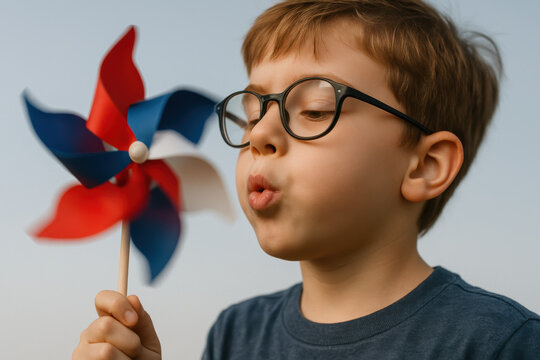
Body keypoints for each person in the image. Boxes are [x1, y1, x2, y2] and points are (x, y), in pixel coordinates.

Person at [72, 0, 540, 359]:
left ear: (425, 166)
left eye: (315, 109)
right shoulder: (234, 335)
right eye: (253, 112)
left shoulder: (498, 342)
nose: (260, 134)